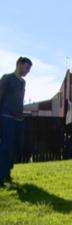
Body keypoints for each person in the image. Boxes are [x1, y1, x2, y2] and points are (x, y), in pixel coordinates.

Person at [0, 57, 32, 187]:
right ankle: (1, 177)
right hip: (6, 117)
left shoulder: (23, 83)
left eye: (29, 70)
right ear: (19, 64)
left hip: (19, 119)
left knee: (15, 147)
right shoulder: (7, 78)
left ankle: (7, 172)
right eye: (26, 68)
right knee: (5, 147)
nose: (27, 71)